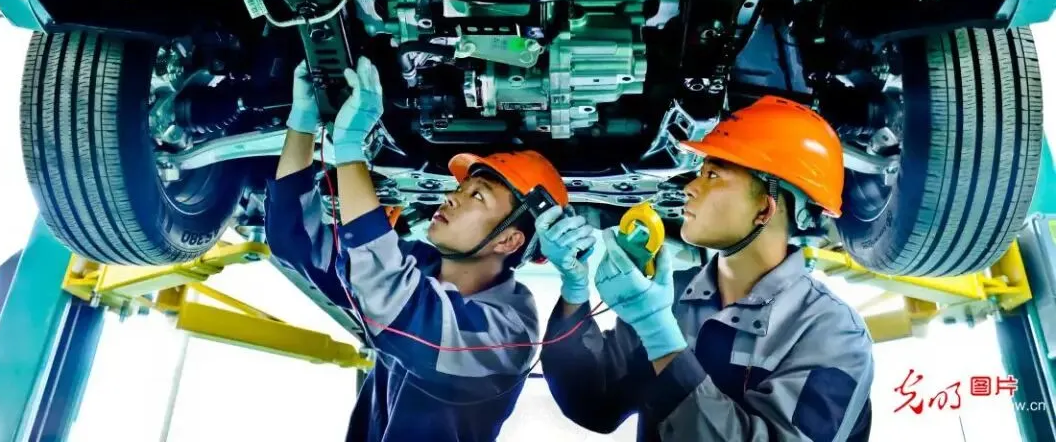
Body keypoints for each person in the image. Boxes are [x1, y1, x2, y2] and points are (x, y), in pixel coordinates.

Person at [538, 96, 875, 441]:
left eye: (713, 175)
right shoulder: (670, 298)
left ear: (765, 209)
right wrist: (574, 290)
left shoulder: (832, 333)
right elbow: (593, 402)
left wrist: (659, 334)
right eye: (700, 173)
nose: (689, 188)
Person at [266, 56, 561, 442]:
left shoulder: (509, 336)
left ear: (508, 240)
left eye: (478, 196)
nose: (452, 197)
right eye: (460, 187)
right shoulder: (422, 269)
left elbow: (395, 302)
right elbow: (297, 241)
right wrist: (302, 124)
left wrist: (351, 150)